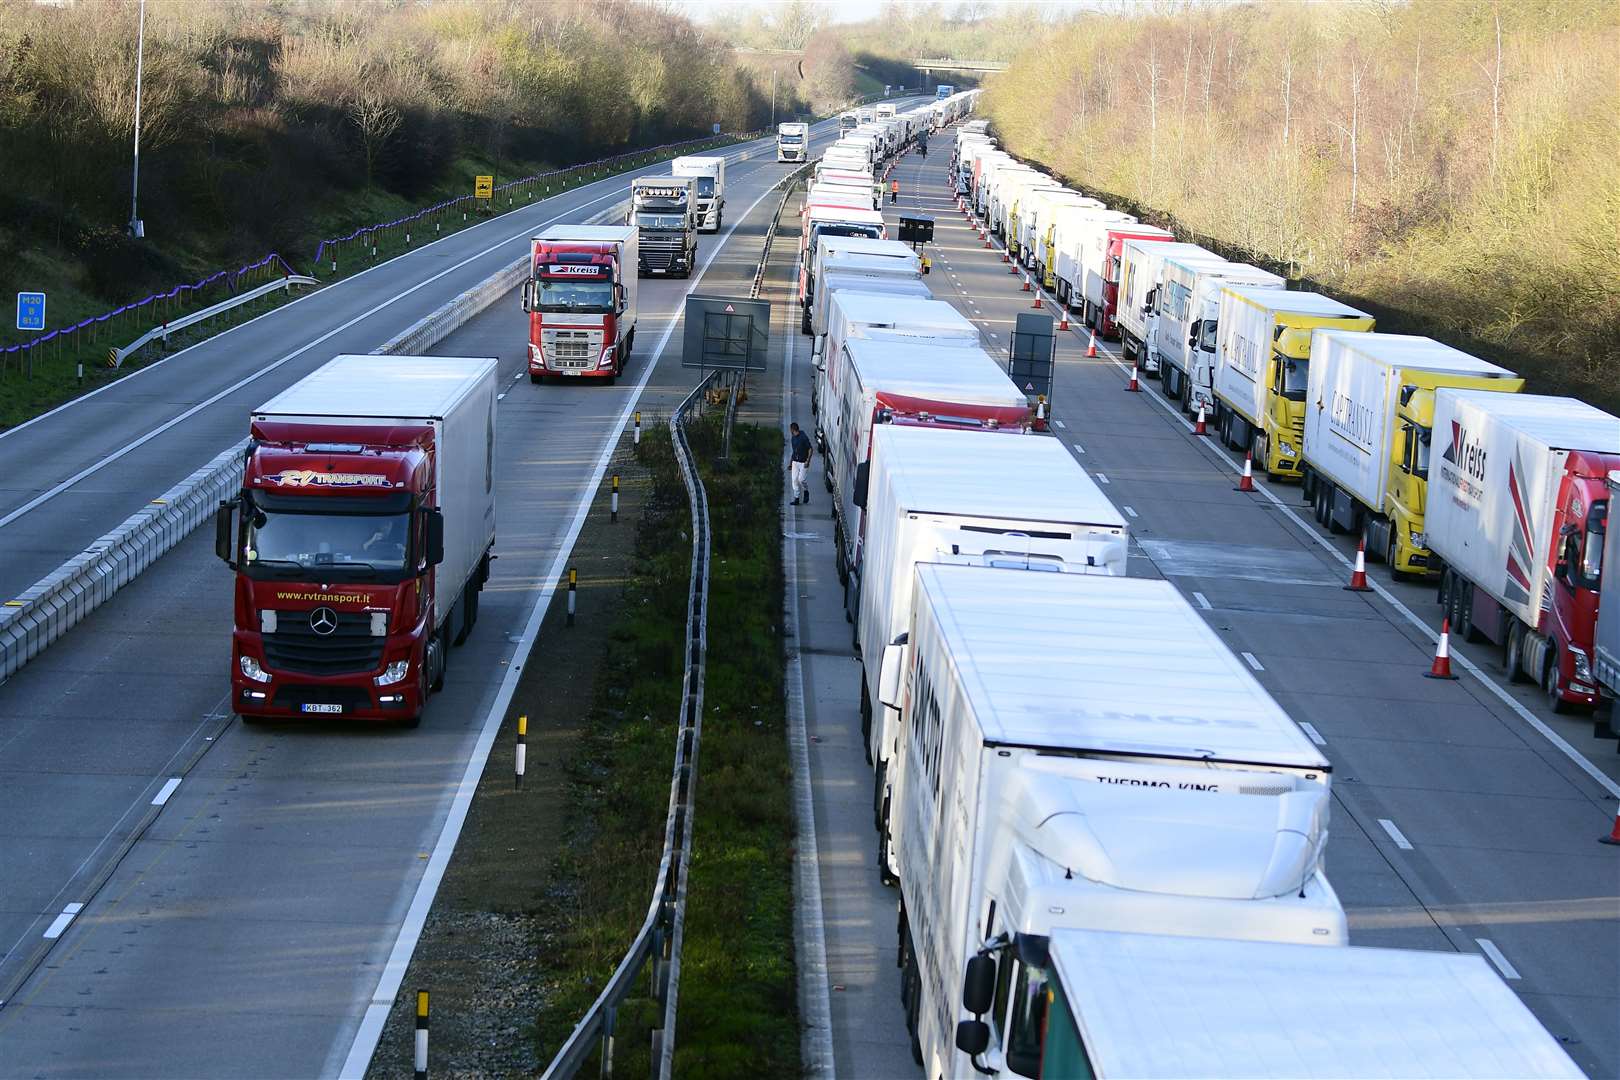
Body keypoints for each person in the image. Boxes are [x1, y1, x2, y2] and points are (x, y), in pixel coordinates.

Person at [789, 422, 814, 506]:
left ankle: (806, 490)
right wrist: (790, 462)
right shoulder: (793, 438)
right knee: (794, 480)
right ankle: (796, 498)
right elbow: (794, 451)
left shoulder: (803, 437)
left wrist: (808, 461)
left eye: (791, 430)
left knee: (801, 479)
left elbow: (810, 449)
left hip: (803, 462)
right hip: (795, 462)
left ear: (792, 430)